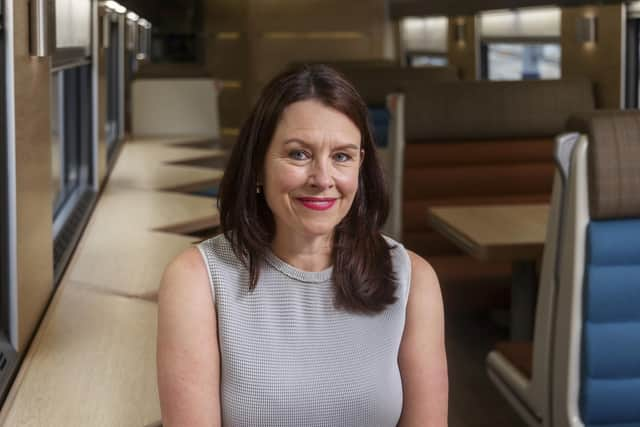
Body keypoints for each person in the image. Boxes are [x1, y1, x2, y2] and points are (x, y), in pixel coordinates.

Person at [157, 64, 448, 426]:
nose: (323, 179)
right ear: (258, 166)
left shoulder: (414, 279)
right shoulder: (196, 279)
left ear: (361, 166)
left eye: (341, 156)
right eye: (299, 154)